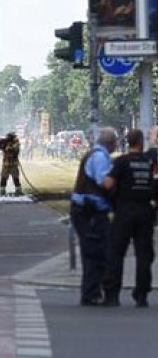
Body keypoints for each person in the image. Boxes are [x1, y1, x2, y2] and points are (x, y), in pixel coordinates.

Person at [101, 129, 158, 307]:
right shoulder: (150, 162)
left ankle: (112, 295)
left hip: (124, 211)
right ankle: (141, 295)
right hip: (145, 211)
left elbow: (108, 184)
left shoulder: (121, 162)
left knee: (116, 253)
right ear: (141, 142)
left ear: (128, 142)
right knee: (144, 254)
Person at [70, 126, 119, 306]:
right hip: (89, 212)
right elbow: (104, 183)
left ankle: (92, 291)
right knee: (95, 252)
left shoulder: (95, 154)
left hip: (86, 210)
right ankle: (90, 293)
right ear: (111, 143)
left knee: (93, 250)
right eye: (116, 142)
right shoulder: (99, 157)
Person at [0, 132, 23, 196]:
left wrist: (6, 144)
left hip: (13, 164)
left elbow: (12, 149)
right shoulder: (6, 143)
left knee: (15, 178)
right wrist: (0, 143)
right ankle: (2, 191)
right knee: (3, 177)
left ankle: (18, 190)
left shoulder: (16, 143)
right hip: (6, 164)